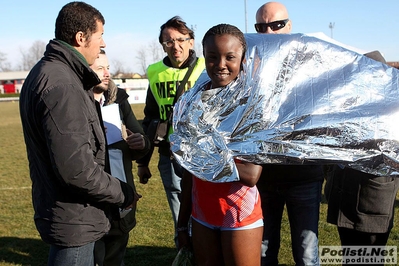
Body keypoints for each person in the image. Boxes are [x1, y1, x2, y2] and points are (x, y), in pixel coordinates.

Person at [19, 2, 136, 265]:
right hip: (74, 218)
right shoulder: (62, 83)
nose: (102, 43)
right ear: (81, 38)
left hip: (70, 213)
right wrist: (123, 193)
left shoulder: (51, 72)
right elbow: (77, 170)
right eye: (100, 36)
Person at [176, 23, 264, 266]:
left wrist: (201, 150)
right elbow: (188, 172)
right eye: (213, 57)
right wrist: (183, 221)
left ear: (242, 60)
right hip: (202, 213)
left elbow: (250, 174)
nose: (221, 64)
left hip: (238, 214)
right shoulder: (193, 104)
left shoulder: (251, 108)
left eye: (230, 57)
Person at [255, 2, 324, 266]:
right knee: (263, 252)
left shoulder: (312, 63)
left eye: (277, 25)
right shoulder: (251, 66)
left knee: (307, 255)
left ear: (290, 26)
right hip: (263, 176)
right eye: (261, 27)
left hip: (304, 176)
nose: (269, 32)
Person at [324, 51, 399, 266]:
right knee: (350, 257)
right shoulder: (347, 106)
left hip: (373, 202)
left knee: (370, 259)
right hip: (343, 196)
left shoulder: (393, 110)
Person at [136, 16, 205, 246]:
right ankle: (184, 249)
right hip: (168, 152)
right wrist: (143, 162)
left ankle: (205, 249)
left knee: (203, 204)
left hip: (201, 153)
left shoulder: (207, 68)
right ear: (162, 45)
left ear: (191, 41)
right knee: (178, 208)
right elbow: (150, 118)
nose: (175, 46)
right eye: (168, 42)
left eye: (181, 40)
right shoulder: (156, 73)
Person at [91, 50, 151, 266]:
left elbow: (141, 139)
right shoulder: (77, 102)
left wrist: (141, 143)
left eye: (108, 68)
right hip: (90, 198)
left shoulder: (118, 99)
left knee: (115, 257)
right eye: (100, 68)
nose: (107, 73)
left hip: (121, 196)